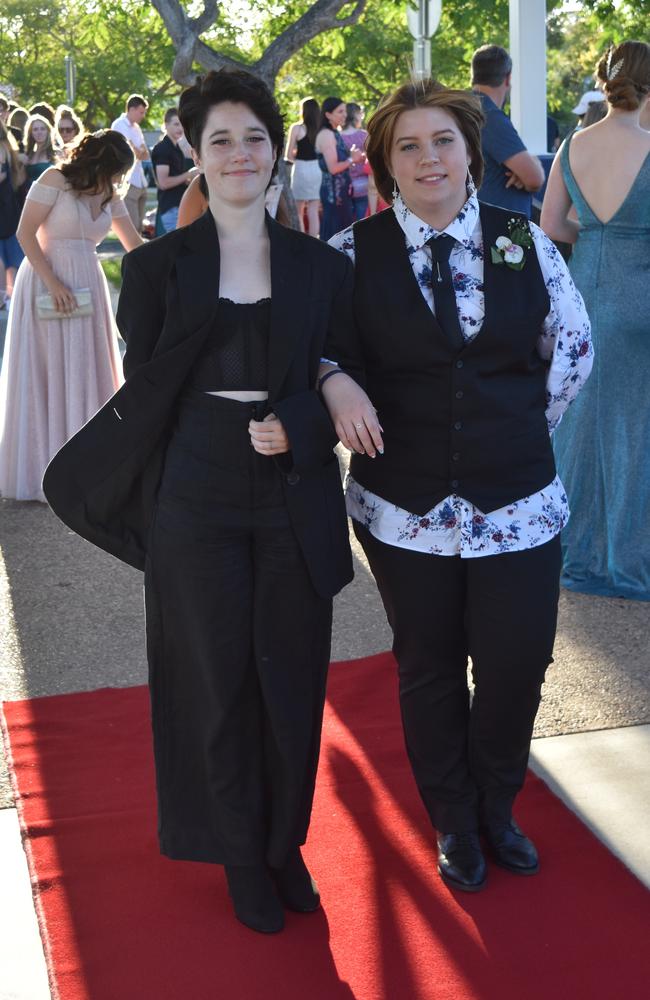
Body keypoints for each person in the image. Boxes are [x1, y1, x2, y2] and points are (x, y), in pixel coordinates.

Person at [42, 68, 354, 935]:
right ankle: (237, 850)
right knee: (213, 676)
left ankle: (282, 841)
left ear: (275, 146)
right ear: (195, 154)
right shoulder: (154, 269)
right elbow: (150, 393)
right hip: (197, 487)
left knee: (291, 675)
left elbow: (340, 372)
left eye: (254, 136)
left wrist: (298, 420)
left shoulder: (321, 267)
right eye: (220, 140)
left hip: (292, 485)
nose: (240, 153)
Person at [320, 78, 592, 893]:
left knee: (517, 662)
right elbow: (317, 348)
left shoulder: (527, 242)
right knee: (428, 666)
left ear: (468, 154)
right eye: (408, 146)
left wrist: (512, 433)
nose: (427, 158)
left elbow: (572, 350)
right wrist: (335, 379)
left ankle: (497, 805)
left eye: (442, 142)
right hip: (404, 512)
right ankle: (451, 818)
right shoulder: (349, 257)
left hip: (518, 505)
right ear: (385, 166)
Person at [540, 40, 650, 601]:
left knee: (580, 427)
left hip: (583, 293)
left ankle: (574, 553)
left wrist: (598, 236)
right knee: (637, 428)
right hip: (642, 297)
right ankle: (632, 561)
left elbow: (552, 223)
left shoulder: (571, 146)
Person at [0, 130, 142, 502]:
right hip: (47, 283)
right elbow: (25, 233)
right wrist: (54, 284)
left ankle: (86, 468)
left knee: (86, 368)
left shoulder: (111, 194)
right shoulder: (53, 180)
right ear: (100, 162)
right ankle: (42, 469)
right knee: (47, 371)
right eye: (115, 171)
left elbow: (137, 248)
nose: (117, 180)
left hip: (88, 286)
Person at [471, 45, 545, 217]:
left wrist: (522, 171)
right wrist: (532, 164)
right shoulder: (489, 115)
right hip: (499, 233)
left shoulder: (464, 108)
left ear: (473, 76)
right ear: (508, 78)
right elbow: (534, 179)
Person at [315, 96, 365, 240]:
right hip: (334, 196)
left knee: (342, 234)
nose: (345, 115)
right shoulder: (327, 135)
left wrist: (353, 156)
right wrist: (352, 159)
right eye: (340, 111)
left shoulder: (334, 133)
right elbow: (333, 168)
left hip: (341, 194)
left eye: (345, 111)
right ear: (328, 115)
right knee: (335, 234)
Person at [151, 107, 198, 233]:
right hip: (171, 208)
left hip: (179, 205)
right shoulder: (163, 148)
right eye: (176, 124)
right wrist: (189, 174)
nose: (180, 128)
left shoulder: (176, 148)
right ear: (165, 125)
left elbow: (175, 178)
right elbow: (163, 183)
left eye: (182, 124)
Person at [111, 94, 149, 232]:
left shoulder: (136, 128)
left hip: (140, 180)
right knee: (132, 227)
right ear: (131, 109)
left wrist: (138, 150)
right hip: (128, 180)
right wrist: (138, 150)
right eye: (141, 112)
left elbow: (144, 155)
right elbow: (131, 153)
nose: (142, 115)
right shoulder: (119, 125)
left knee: (139, 226)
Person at [284, 97, 321, 236]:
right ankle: (314, 241)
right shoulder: (321, 130)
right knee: (313, 209)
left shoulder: (297, 128)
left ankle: (300, 238)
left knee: (298, 209)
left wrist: (295, 155)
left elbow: (288, 154)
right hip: (317, 168)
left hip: (300, 168)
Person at [0, 121, 25, 307]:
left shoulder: (5, 148)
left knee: (8, 257)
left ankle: (6, 296)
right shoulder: (8, 148)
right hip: (9, 207)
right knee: (9, 259)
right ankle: (8, 296)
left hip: (7, 207)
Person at [341, 102, 371, 221]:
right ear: (356, 115)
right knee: (362, 221)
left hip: (343, 186)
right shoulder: (363, 135)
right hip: (364, 185)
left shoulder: (337, 138)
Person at [20, 114, 57, 186]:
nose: (39, 132)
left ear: (48, 131)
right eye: (35, 129)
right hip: (27, 194)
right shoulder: (28, 154)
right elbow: (20, 181)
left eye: (42, 129)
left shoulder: (56, 153)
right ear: (31, 133)